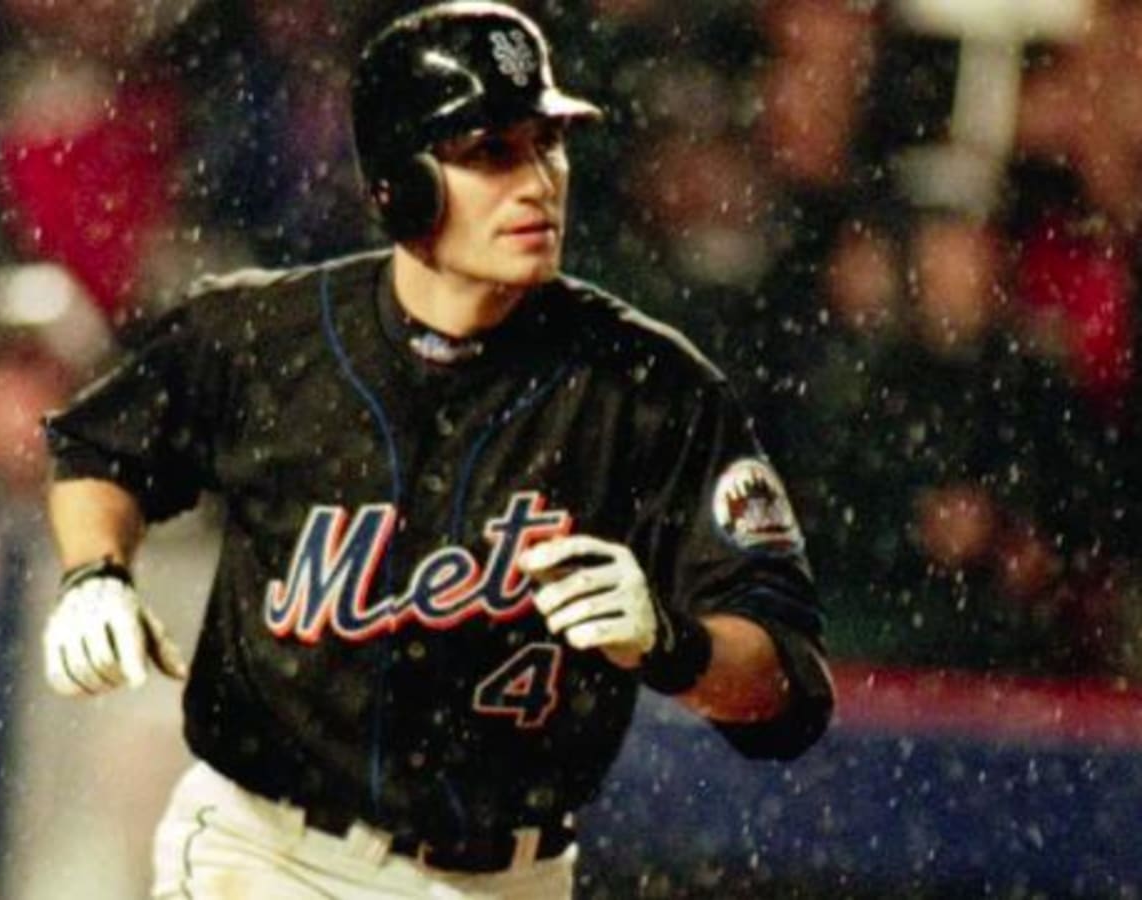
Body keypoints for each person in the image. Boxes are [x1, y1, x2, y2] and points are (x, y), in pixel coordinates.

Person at [40, 3, 834, 897]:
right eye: (491, 153)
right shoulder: (268, 336)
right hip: (267, 856)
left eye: (547, 143)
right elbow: (99, 447)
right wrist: (95, 573)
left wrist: (675, 646)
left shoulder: (646, 388)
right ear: (397, 182)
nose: (537, 181)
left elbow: (789, 684)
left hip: (510, 878)